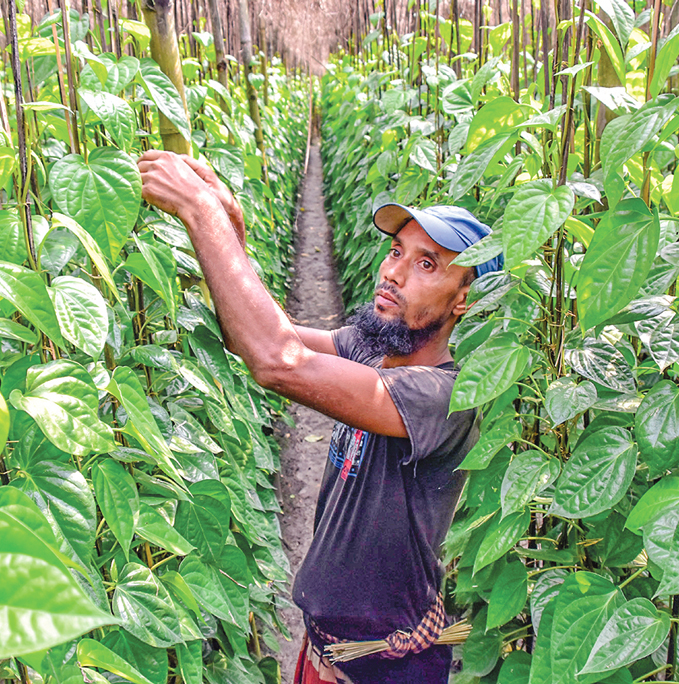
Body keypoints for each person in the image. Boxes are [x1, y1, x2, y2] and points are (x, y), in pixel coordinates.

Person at [137, 151, 501, 683]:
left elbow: (278, 361)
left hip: (389, 668)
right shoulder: (372, 348)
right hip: (329, 654)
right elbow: (258, 335)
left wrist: (199, 211)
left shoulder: (445, 397)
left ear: (464, 299)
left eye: (427, 264)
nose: (393, 272)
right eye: (396, 251)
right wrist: (230, 232)